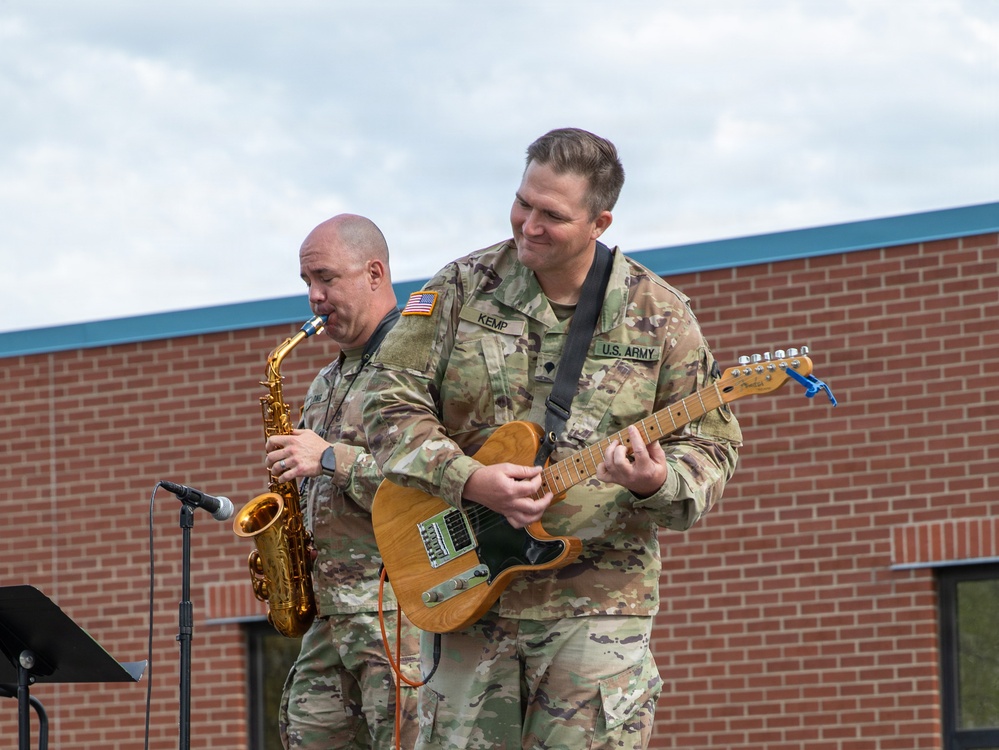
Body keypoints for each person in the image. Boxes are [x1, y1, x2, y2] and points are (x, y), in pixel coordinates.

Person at [361, 128, 743, 749]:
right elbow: (383, 405)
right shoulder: (459, 289)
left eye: (553, 215)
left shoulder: (661, 314)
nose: (529, 225)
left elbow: (713, 445)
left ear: (600, 221)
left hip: (598, 615)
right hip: (466, 601)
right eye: (522, 203)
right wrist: (470, 479)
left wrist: (656, 481)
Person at [265, 214, 419, 749]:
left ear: (374, 272)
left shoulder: (421, 365)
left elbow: (442, 488)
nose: (314, 296)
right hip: (329, 619)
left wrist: (332, 458)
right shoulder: (324, 382)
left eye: (326, 278)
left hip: (397, 616)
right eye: (307, 283)